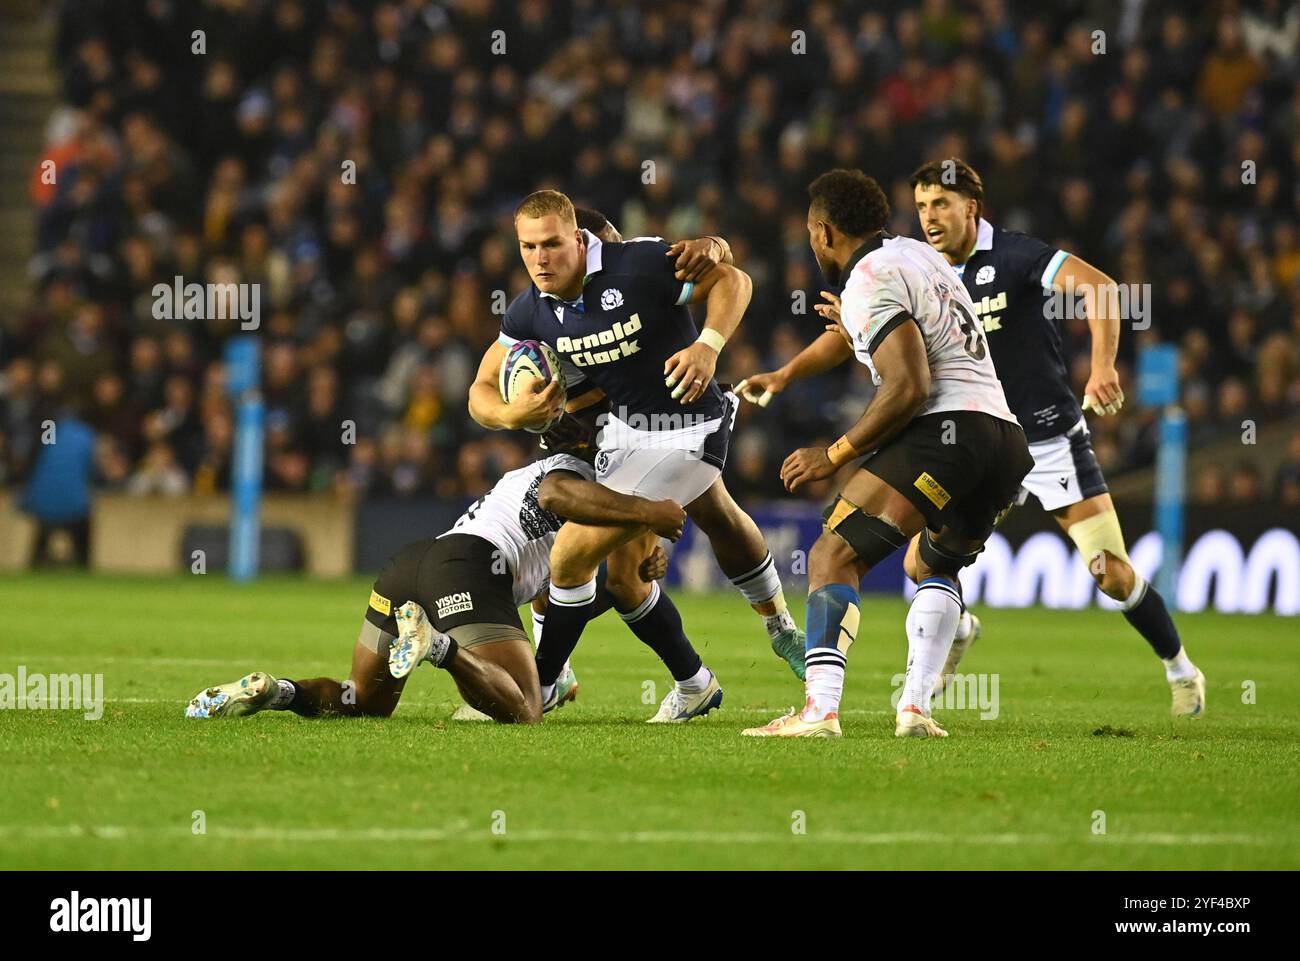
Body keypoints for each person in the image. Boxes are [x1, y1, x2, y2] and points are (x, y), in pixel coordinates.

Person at [469, 190, 805, 721]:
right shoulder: (532, 310)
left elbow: (735, 280)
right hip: (622, 436)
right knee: (627, 578)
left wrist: (708, 344)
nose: (540, 258)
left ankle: (543, 681)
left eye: (552, 244)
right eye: (528, 247)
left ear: (580, 241)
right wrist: (514, 415)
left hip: (688, 427)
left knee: (571, 555)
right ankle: (697, 682)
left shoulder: (639, 264)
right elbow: (481, 389)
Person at [900, 159, 1201, 715]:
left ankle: (1181, 668)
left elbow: (1101, 289)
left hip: (1050, 439)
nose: (929, 218)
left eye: (940, 204)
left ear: (972, 207)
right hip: (984, 443)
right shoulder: (927, 272)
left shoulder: (1016, 255)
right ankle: (958, 626)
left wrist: (1104, 367)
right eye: (921, 207)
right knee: (920, 565)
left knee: (1109, 573)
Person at [740, 169, 1033, 738]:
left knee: (832, 554)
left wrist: (836, 453)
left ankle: (819, 711)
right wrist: (791, 370)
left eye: (809, 232)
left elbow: (909, 386)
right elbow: (893, 338)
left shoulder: (869, 279)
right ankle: (915, 709)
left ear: (824, 232)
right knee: (933, 563)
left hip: (946, 428)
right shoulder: (917, 257)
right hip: (1002, 439)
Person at [185, 431, 709, 724]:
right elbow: (571, 524)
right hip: (471, 568)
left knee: (362, 701)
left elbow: (566, 594)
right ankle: (438, 646)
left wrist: (642, 560)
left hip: (412, 565)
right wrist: (644, 520)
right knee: (525, 710)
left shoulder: (534, 473)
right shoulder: (584, 477)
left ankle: (277, 691)